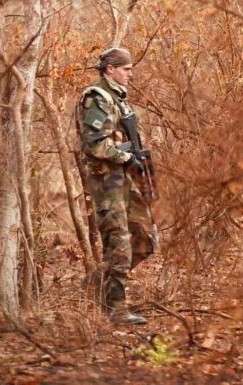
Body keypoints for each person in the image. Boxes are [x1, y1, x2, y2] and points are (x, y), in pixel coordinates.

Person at [78, 47, 158, 325]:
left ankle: (95, 283)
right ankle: (116, 308)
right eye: (126, 68)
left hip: (126, 178)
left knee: (145, 239)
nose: (130, 73)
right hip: (107, 181)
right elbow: (95, 143)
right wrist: (125, 155)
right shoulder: (96, 98)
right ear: (110, 69)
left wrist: (137, 161)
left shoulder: (119, 100)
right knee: (119, 243)